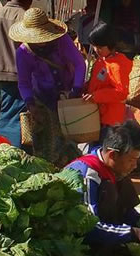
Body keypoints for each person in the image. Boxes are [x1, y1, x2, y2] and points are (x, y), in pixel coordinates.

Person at [65, 121, 140, 253]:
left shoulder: (115, 169)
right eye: (131, 160)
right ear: (113, 155)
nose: (135, 166)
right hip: (78, 246)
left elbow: (126, 211)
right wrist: (135, 234)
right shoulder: (86, 175)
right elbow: (88, 226)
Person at [10, 7, 85, 166]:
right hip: (42, 98)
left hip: (67, 94)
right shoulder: (23, 53)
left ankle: (73, 168)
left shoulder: (62, 40)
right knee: (47, 143)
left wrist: (76, 89)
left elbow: (79, 64)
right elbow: (24, 82)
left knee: (69, 139)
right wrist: (30, 103)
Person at [0, 0, 32, 147]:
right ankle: (11, 148)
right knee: (16, 116)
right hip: (17, 71)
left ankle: (3, 145)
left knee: (7, 110)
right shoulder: (24, 16)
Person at [83, 23, 132, 127]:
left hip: (111, 120)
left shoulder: (118, 65)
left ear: (111, 45)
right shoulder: (102, 60)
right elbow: (97, 82)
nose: (96, 50)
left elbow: (121, 92)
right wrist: (86, 88)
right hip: (98, 115)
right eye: (94, 46)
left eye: (100, 47)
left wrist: (96, 96)